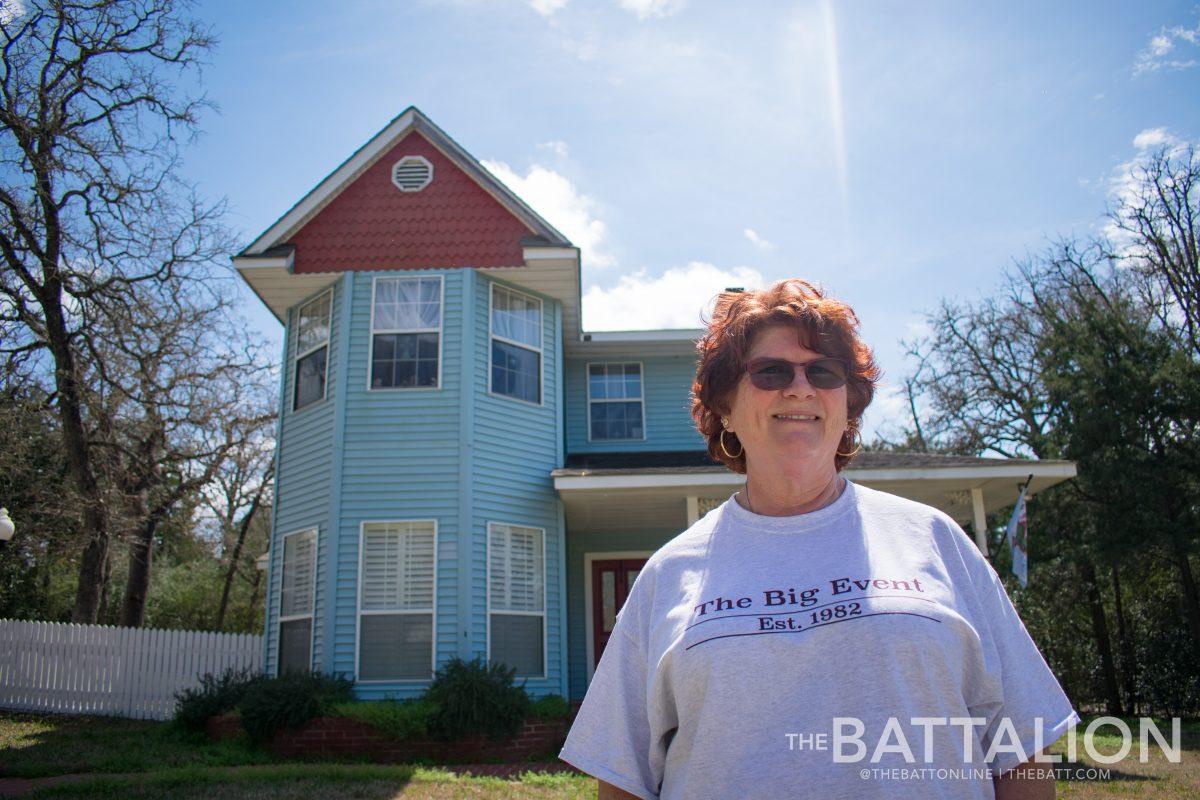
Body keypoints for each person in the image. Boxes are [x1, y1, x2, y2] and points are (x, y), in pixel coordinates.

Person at [559, 279, 1078, 800]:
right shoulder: (668, 575)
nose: (800, 387)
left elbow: (1021, 751)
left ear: (848, 407)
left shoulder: (937, 540)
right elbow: (623, 780)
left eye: (824, 372)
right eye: (771, 371)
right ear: (726, 411)